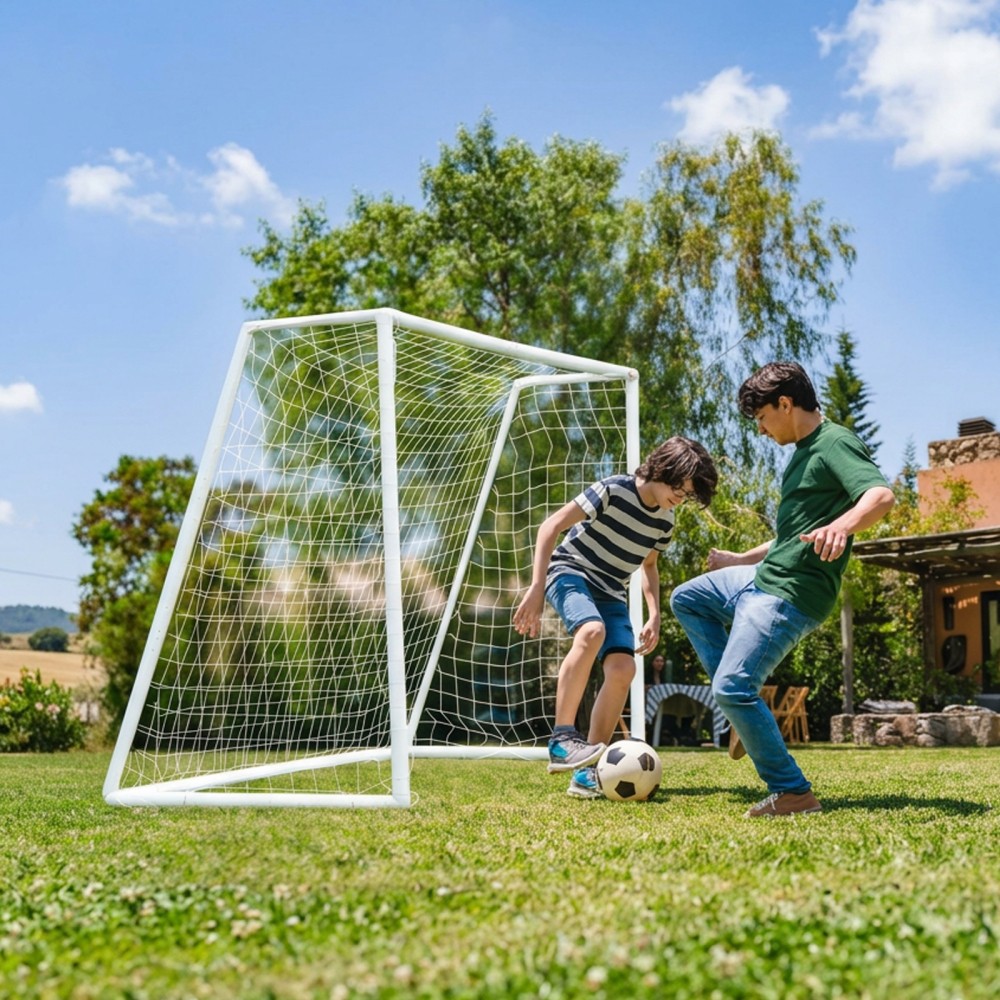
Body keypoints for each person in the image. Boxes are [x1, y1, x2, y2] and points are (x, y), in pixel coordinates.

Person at [670, 362, 895, 818]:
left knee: (732, 688)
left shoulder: (834, 442)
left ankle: (792, 792)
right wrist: (739, 559)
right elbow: (792, 536)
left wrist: (842, 525)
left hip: (791, 593)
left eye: (762, 419)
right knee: (687, 598)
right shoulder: (802, 454)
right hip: (762, 576)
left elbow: (880, 496)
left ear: (786, 404)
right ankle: (741, 717)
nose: (762, 429)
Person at [513, 436, 718, 798]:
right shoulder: (612, 490)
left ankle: (587, 772)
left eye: (686, 496)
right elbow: (551, 526)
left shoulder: (665, 523)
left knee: (624, 670)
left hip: (611, 592)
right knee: (591, 631)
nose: (680, 499)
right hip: (570, 572)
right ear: (662, 469)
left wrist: (654, 614)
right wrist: (535, 586)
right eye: (679, 490)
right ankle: (562, 739)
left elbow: (649, 566)